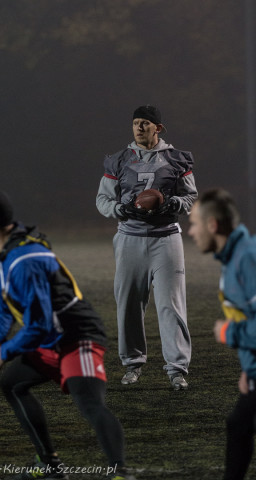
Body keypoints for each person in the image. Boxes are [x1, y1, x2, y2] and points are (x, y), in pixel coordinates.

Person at [0, 189, 137, 480]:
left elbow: (40, 325)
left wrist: (5, 352)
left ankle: (120, 473)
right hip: (53, 338)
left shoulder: (24, 259)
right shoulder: (10, 250)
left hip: (76, 337)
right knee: (13, 383)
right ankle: (50, 465)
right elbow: (2, 301)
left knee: (90, 404)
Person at [96, 105, 197, 389]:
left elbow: (190, 196)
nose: (139, 127)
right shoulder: (118, 161)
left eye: (146, 123)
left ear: (158, 128)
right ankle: (132, 364)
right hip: (130, 237)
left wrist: (172, 203)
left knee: (171, 306)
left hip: (166, 238)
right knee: (128, 304)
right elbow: (103, 200)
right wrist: (121, 208)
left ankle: (177, 369)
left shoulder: (177, 159)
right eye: (136, 123)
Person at [188, 188, 256, 480]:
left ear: (212, 225)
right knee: (239, 424)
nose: (190, 231)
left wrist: (229, 332)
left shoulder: (247, 260)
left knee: (239, 425)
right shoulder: (235, 257)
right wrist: (250, 370)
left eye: (194, 223)